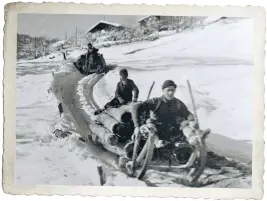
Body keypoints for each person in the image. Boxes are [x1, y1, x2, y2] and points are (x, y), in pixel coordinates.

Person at [131, 80, 197, 147]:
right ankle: (157, 143)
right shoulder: (156, 102)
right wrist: (136, 126)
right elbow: (135, 107)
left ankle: (191, 138)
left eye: (173, 90)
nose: (170, 93)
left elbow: (188, 114)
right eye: (168, 90)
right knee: (147, 128)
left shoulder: (178, 103)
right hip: (157, 131)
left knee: (185, 123)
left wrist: (192, 121)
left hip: (172, 131)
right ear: (163, 90)